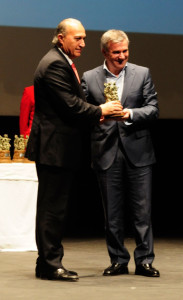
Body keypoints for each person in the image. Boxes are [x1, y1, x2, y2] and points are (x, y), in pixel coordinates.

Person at [25, 19, 123, 282]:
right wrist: (101, 111)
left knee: (55, 208)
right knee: (51, 209)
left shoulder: (61, 60)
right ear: (60, 38)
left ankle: (46, 262)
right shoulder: (55, 63)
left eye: (84, 38)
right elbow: (72, 106)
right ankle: (49, 264)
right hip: (53, 147)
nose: (82, 43)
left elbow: (74, 106)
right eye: (77, 38)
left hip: (59, 147)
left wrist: (99, 116)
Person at [81, 29, 160, 277]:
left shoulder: (142, 73)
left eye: (125, 51)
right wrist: (101, 112)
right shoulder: (90, 77)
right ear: (105, 52)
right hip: (106, 151)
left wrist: (130, 114)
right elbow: (82, 112)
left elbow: (153, 109)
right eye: (116, 52)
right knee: (112, 213)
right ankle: (118, 260)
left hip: (138, 150)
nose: (122, 56)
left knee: (142, 211)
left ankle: (145, 260)